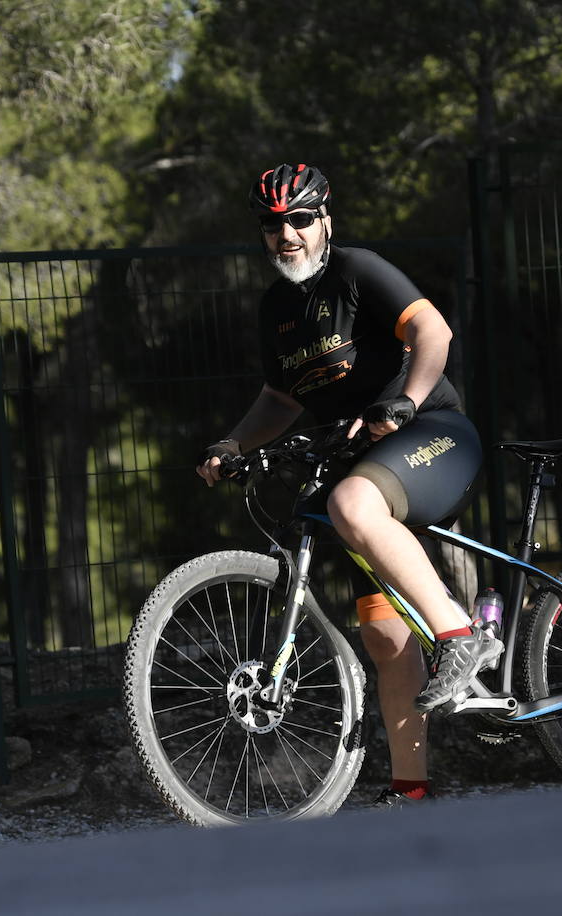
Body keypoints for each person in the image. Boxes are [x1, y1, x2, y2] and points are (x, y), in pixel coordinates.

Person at [196, 163, 500, 807]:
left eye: (300, 220)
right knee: (387, 639)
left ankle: (459, 634)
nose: (287, 235)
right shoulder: (276, 308)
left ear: (325, 221)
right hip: (360, 463)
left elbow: (433, 332)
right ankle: (411, 792)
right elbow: (279, 400)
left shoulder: (357, 269)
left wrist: (406, 403)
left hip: (433, 435)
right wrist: (230, 445)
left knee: (348, 504)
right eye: (274, 225)